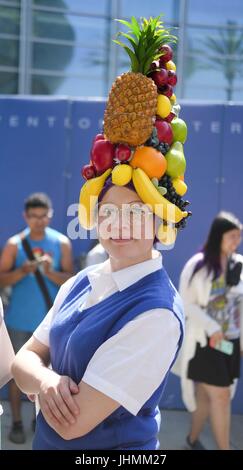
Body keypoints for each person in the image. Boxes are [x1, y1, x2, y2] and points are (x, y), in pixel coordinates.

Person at [11, 15, 190, 450]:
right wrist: (50, 382)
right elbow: (21, 361)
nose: (119, 225)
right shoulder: (83, 280)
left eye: (135, 213)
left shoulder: (157, 313)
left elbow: (74, 426)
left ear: (159, 221)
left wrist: (38, 382)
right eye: (108, 212)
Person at [0, 192, 73, 444]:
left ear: (50, 216)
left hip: (52, 323)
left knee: (49, 376)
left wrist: (49, 272)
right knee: (14, 375)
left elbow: (71, 281)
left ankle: (38, 421)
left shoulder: (62, 242)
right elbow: (1, 279)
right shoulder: (14, 244)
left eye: (43, 216)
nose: (39, 221)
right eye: (34, 217)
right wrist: (23, 270)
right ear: (25, 217)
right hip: (18, 320)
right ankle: (17, 423)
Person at [177, 211, 243, 450]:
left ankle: (191, 441)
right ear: (218, 236)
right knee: (222, 398)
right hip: (206, 343)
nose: (236, 242)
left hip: (230, 343)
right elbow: (186, 303)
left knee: (205, 397)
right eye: (232, 236)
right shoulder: (198, 265)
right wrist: (213, 327)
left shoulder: (239, 264)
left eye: (239, 237)